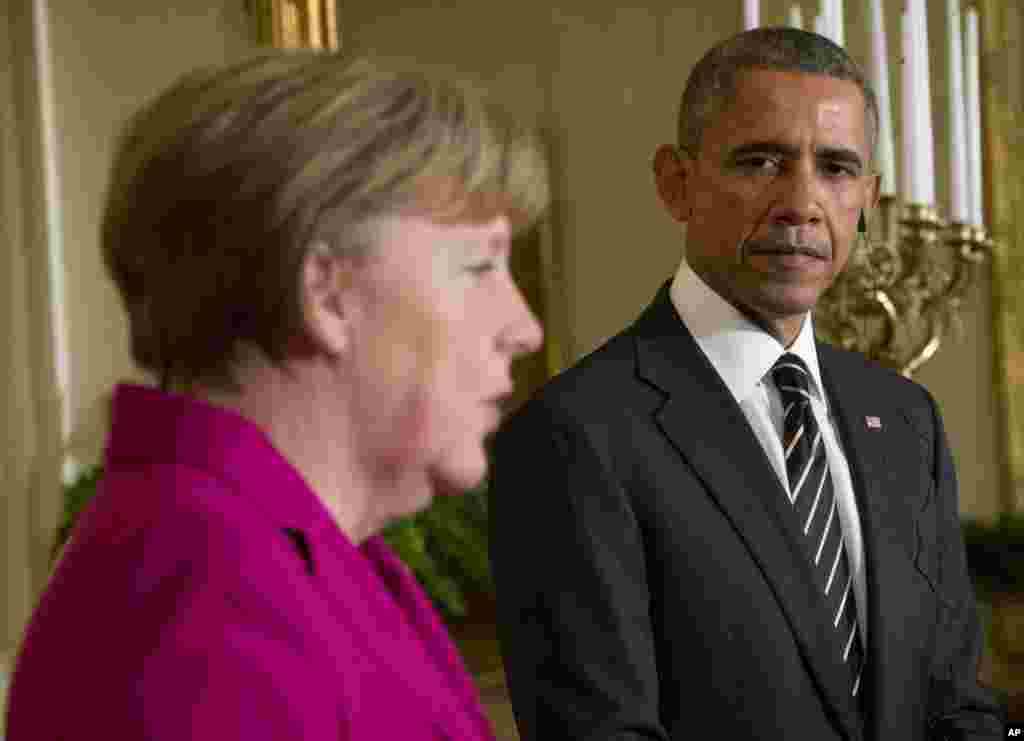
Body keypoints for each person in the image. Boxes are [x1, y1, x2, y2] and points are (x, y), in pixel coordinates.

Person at [6, 50, 545, 740]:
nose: (523, 328)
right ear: (325, 293)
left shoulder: (298, 557)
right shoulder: (206, 603)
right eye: (479, 265)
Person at [489, 27, 1005, 740]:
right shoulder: (576, 434)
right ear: (676, 182)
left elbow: (959, 708)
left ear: (870, 198)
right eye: (762, 161)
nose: (802, 202)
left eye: (836, 167)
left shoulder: (907, 419)